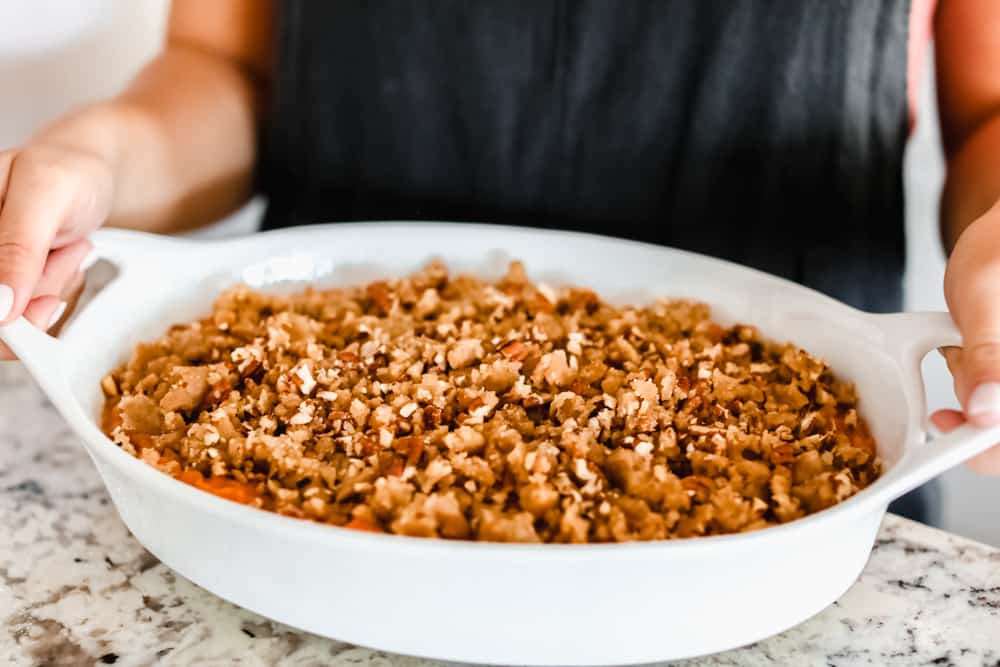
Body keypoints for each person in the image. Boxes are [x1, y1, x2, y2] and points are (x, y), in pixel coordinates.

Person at [1, 1, 998, 524]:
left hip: (799, 460)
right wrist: (91, 160)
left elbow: (988, 109)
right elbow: (226, 70)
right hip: (306, 441)